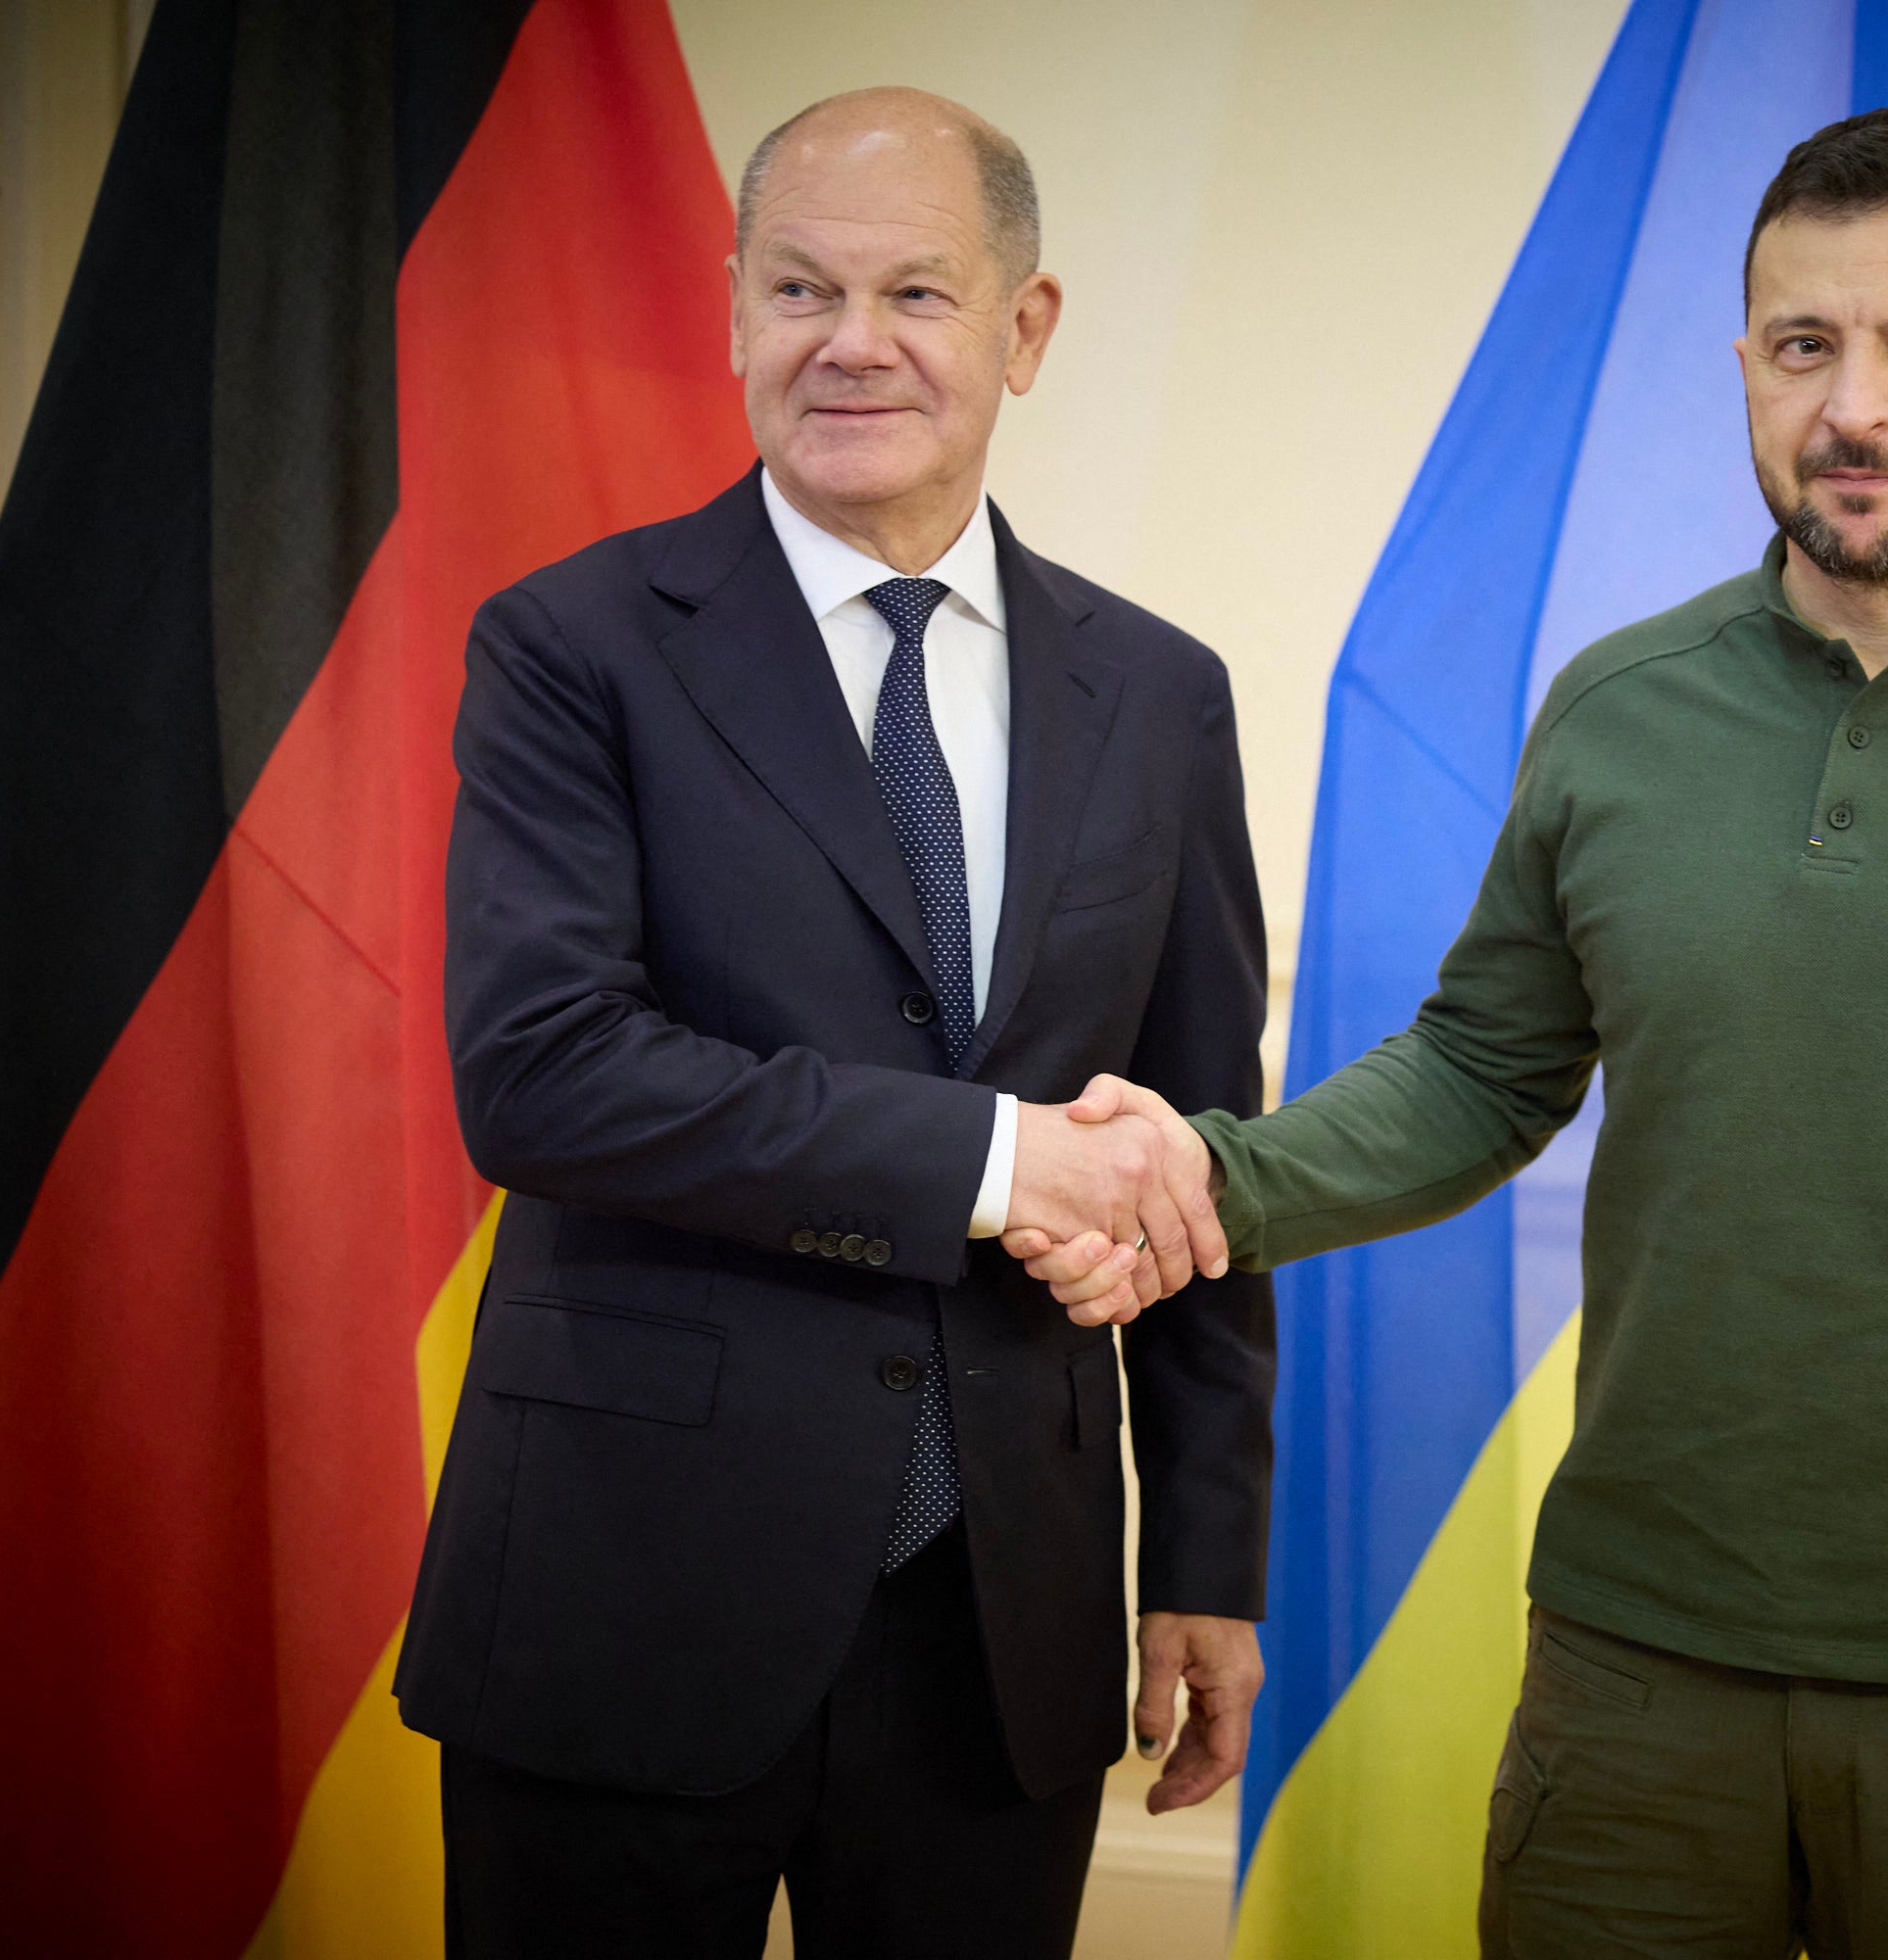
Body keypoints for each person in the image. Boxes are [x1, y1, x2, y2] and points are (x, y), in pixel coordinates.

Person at [1015, 108, 1888, 1958]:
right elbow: (1484, 1069)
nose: (1856, 408)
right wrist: (1210, 1172)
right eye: (1805, 346)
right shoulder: (1619, 708)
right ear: (1745, 365)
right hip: (1627, 1674)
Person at [396, 88, 1259, 1960]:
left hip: (1001, 1628)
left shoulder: (1162, 694)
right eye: (799, 287)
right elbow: (543, 1071)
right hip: (629, 1600)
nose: (849, 343)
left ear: (1024, 331)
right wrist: (1001, 1156)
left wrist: (1204, 1560)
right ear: (732, 312)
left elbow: (1196, 1145)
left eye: (916, 295)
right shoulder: (573, 646)